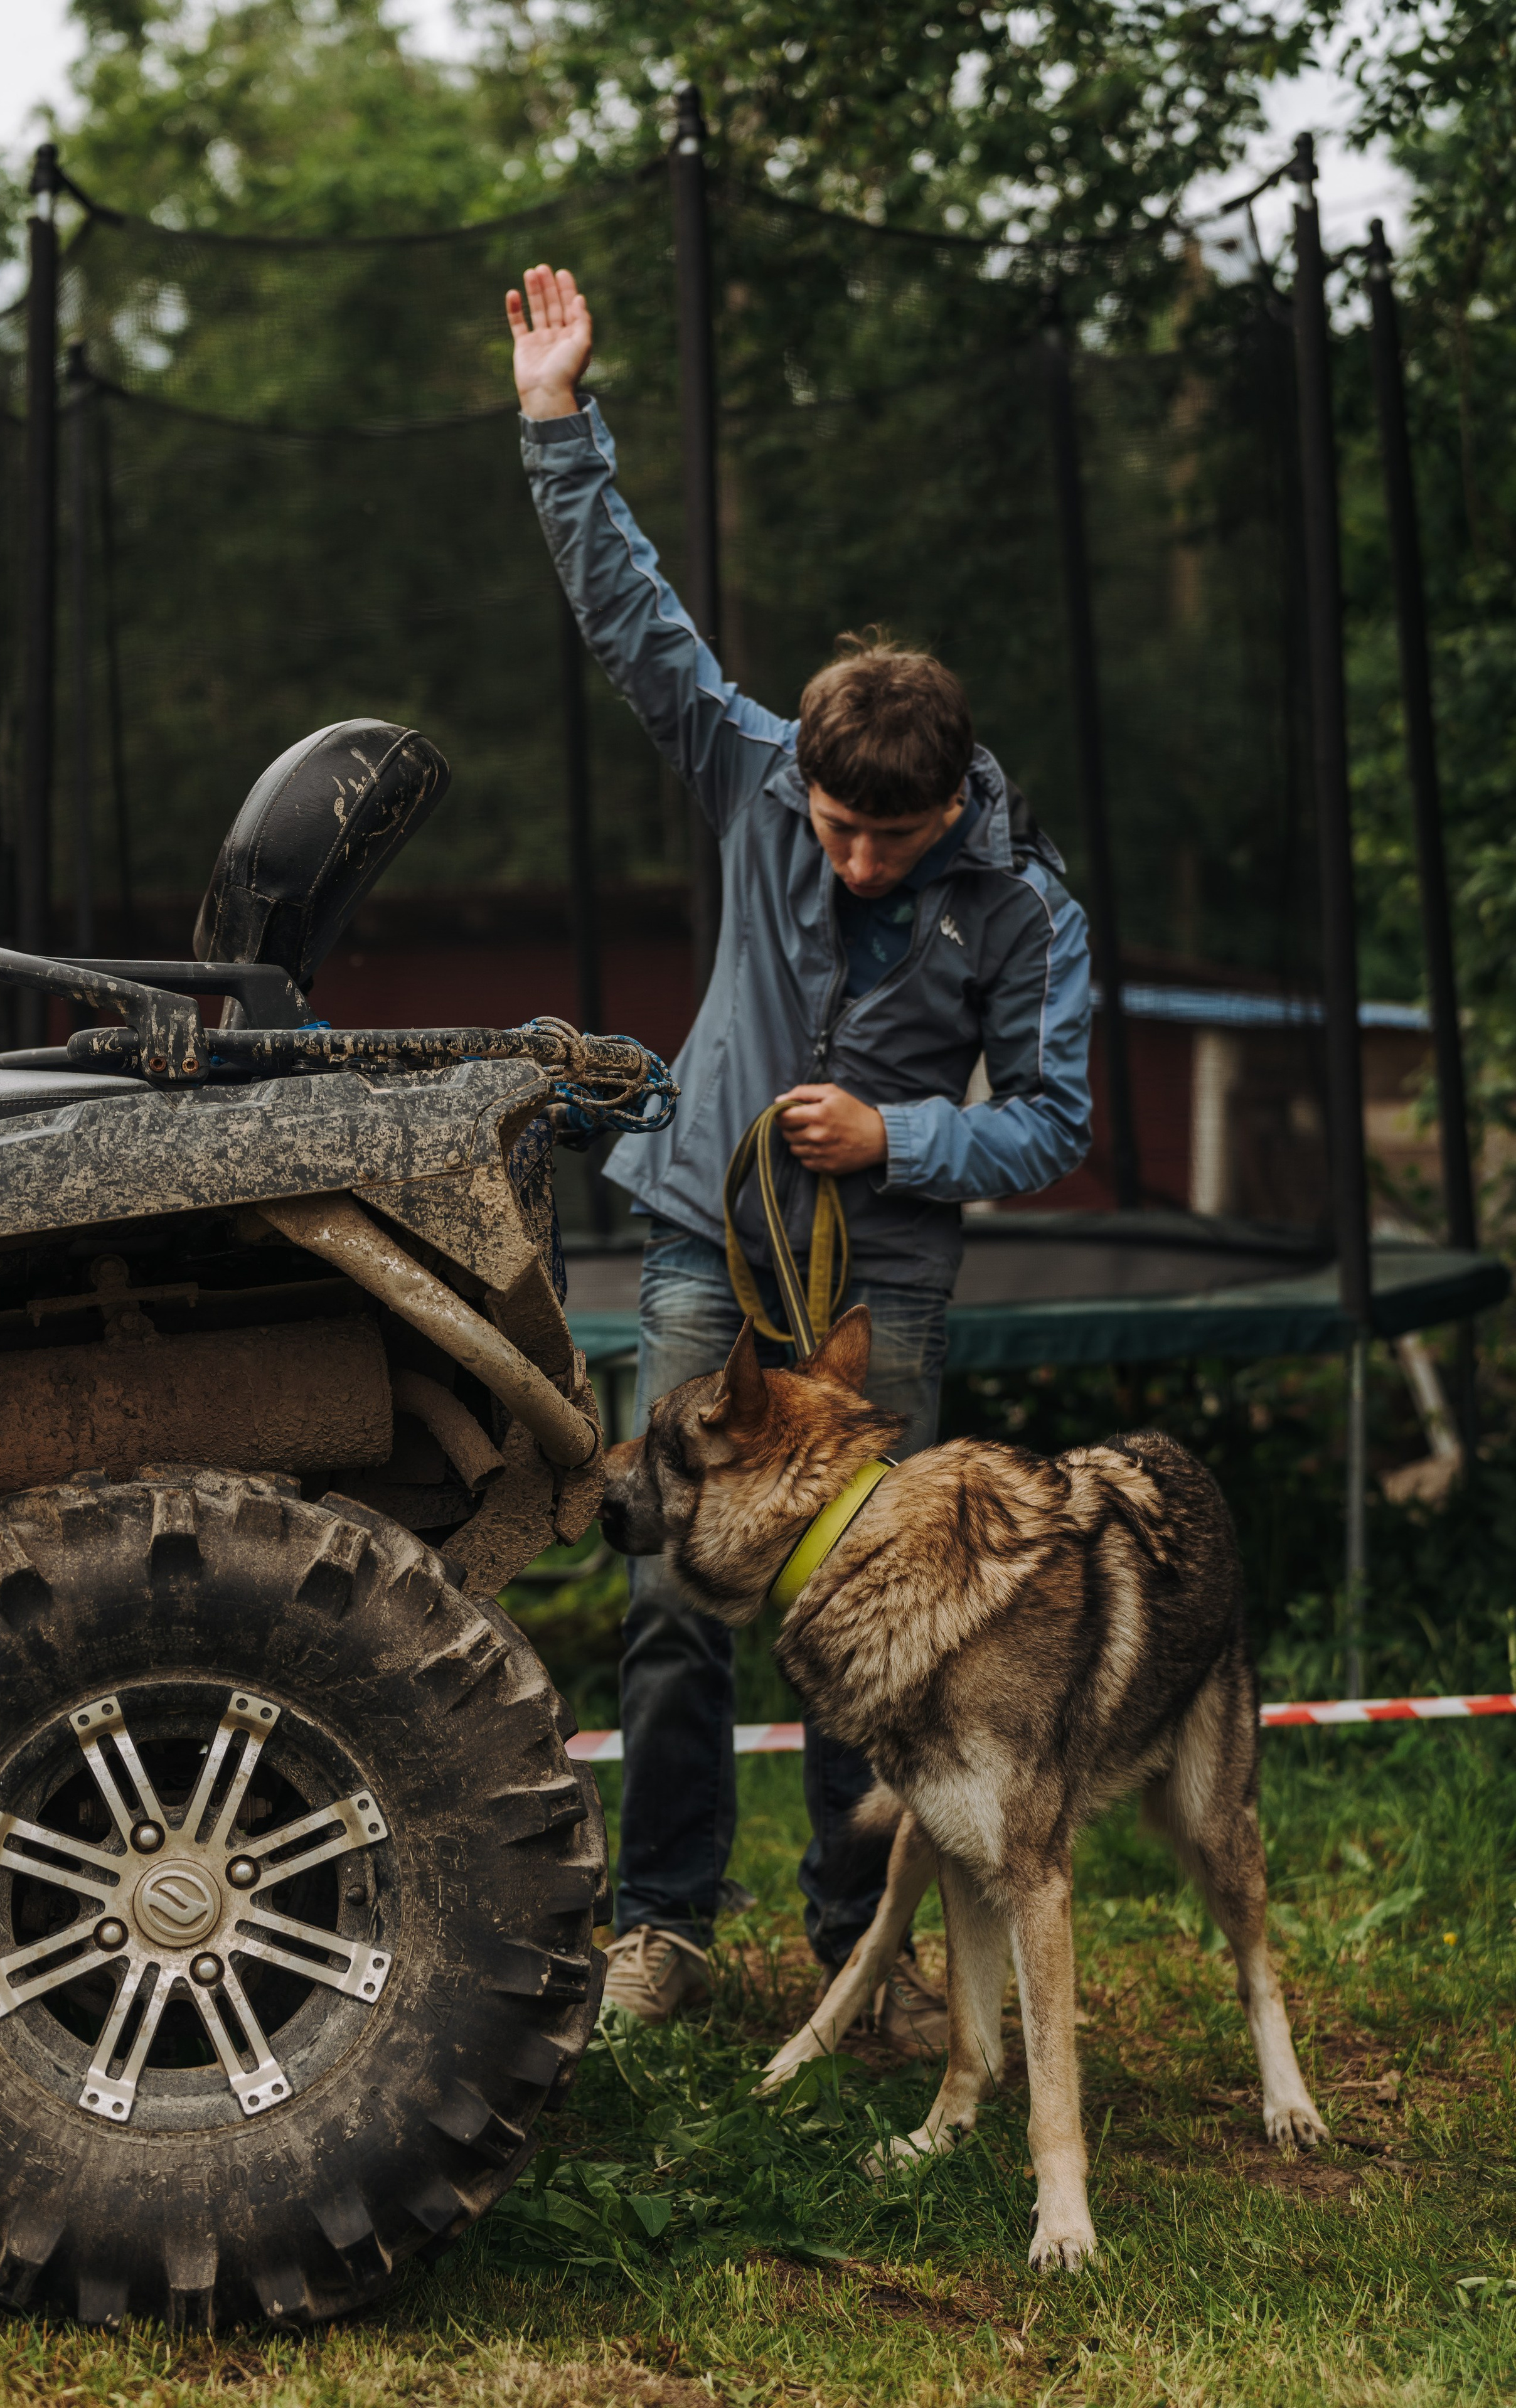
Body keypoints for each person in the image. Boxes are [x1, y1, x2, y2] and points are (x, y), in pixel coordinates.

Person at [508, 262, 1094, 2042]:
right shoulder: (755, 768)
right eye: (836, 832)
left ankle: (867, 1947)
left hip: (883, 1282)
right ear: (806, 789)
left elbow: (1052, 1123)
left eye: (889, 843)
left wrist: (900, 1131)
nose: (855, 866)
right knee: (675, 1588)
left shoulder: (1024, 905)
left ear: (951, 804)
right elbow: (635, 623)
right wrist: (557, 422)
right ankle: (668, 1930)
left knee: (881, 1609)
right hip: (705, 1242)